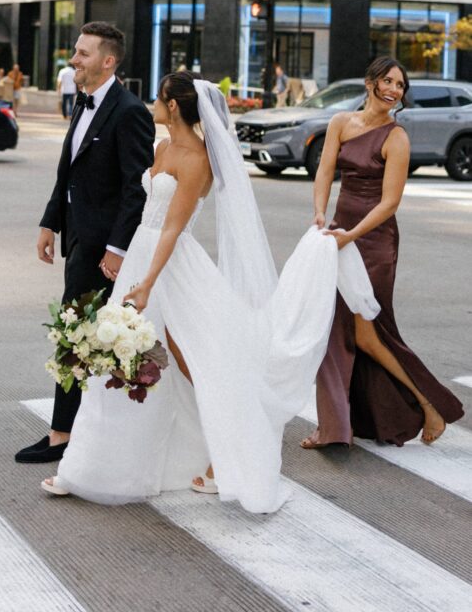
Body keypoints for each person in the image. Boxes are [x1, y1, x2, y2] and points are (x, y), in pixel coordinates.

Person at [40, 72, 379, 513]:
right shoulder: (162, 148)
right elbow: (142, 210)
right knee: (121, 364)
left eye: (159, 99)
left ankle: (227, 456)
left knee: (193, 363)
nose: (152, 106)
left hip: (169, 266)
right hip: (142, 255)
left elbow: (174, 229)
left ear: (174, 107)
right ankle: (87, 468)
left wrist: (147, 283)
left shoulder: (198, 159)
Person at [301, 56, 464, 450]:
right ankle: (347, 422)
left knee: (367, 333)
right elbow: (325, 172)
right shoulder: (341, 123)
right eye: (389, 81)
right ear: (370, 81)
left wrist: (351, 235)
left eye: (401, 85)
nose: (395, 89)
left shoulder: (397, 138)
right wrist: (321, 213)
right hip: (339, 233)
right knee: (342, 329)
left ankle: (429, 405)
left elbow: (390, 203)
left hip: (374, 242)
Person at [14, 22, 155, 465]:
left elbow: (137, 187)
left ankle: (62, 435)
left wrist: (116, 248)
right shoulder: (82, 101)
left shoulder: (130, 111)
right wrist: (49, 223)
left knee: (74, 337)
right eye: (76, 52)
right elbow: (67, 171)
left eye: (82, 53)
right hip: (76, 236)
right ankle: (87, 429)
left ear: (107, 61)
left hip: (102, 249)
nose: (73, 60)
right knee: (86, 338)